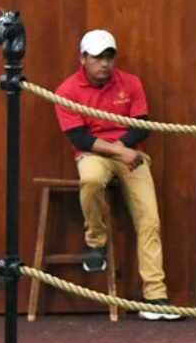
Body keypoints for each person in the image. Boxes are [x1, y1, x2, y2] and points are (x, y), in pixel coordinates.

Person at [54, 29, 182, 321]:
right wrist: (118, 151)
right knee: (91, 179)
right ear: (83, 59)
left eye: (109, 57)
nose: (105, 64)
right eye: (98, 57)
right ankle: (95, 240)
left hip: (130, 155)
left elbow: (141, 126)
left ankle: (155, 296)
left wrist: (123, 149)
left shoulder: (130, 83)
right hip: (95, 153)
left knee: (150, 218)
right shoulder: (66, 91)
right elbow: (79, 138)